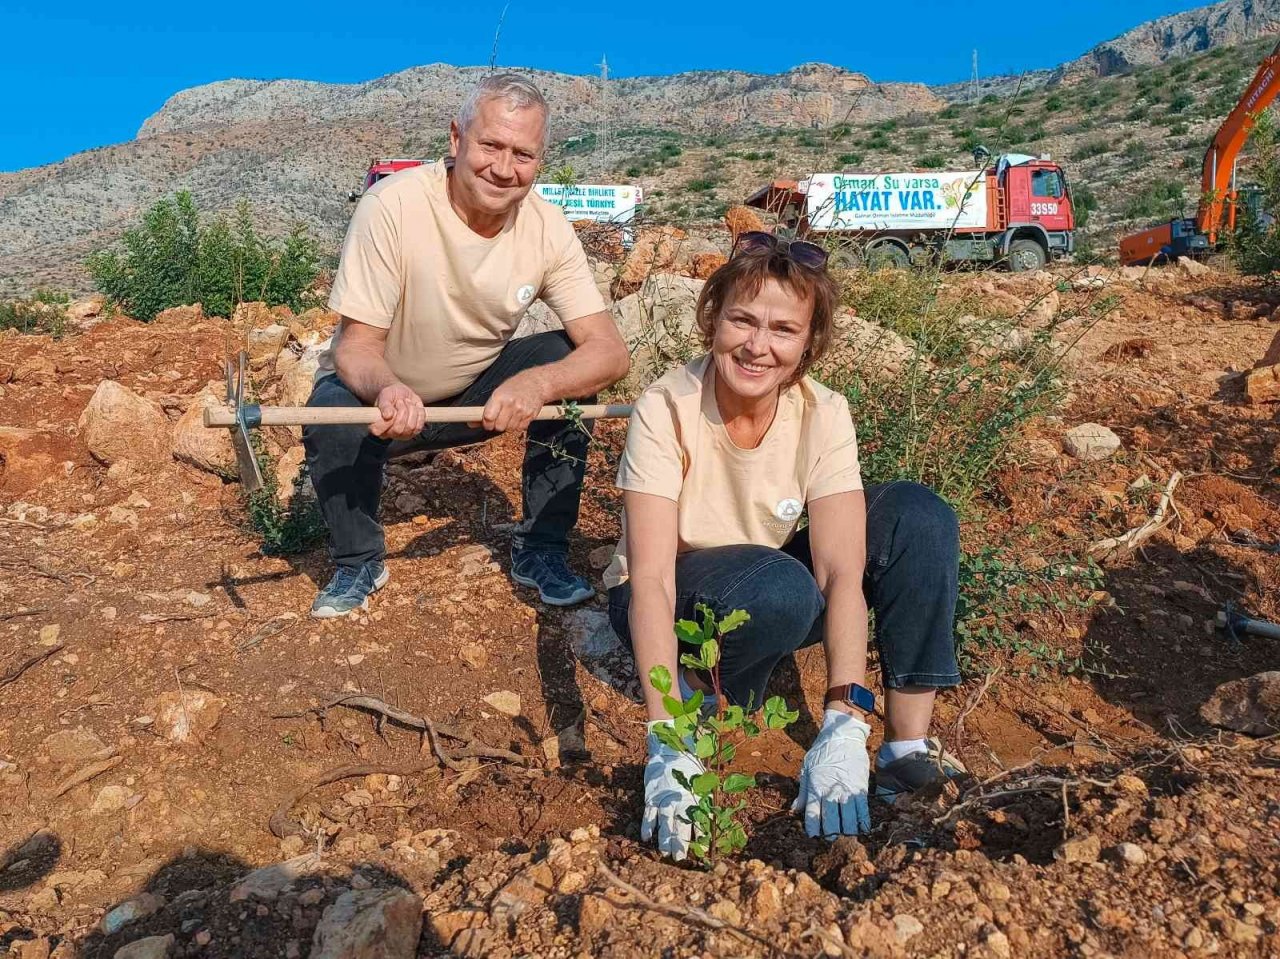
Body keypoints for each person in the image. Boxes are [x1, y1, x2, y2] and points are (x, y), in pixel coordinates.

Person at [604, 233, 964, 858]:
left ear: (807, 344)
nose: (757, 346)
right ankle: (701, 696)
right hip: (679, 589)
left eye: (783, 330)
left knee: (918, 516)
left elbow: (842, 571)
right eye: (742, 320)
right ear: (713, 319)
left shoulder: (823, 411)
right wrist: (665, 735)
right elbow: (653, 577)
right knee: (782, 586)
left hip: (768, 581)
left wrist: (844, 719)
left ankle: (904, 749)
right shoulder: (665, 407)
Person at [303, 74, 629, 618]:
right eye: (490, 145)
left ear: (540, 161)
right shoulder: (393, 206)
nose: (503, 168)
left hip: (474, 400)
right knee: (331, 412)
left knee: (567, 364)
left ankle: (542, 549)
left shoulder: (547, 228)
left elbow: (610, 352)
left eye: (523, 154)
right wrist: (390, 390)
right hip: (380, 401)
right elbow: (356, 348)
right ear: (456, 139)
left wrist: (538, 384)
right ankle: (358, 560)